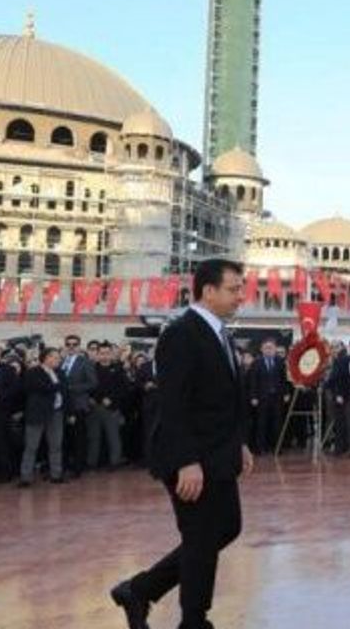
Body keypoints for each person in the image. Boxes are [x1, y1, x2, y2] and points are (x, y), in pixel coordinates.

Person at [112, 258, 254, 629]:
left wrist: (239, 443)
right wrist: (186, 461)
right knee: (201, 538)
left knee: (225, 528)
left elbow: (223, 399)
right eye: (234, 288)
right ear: (208, 291)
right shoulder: (181, 333)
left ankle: (140, 590)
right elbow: (172, 403)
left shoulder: (220, 333)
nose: (242, 296)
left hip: (219, 453)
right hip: (190, 457)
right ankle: (193, 620)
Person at [18, 347, 66, 487]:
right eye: (55, 357)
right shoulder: (33, 372)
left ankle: (56, 474)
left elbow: (65, 391)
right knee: (31, 446)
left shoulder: (60, 372)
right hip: (37, 414)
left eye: (58, 357)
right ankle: (26, 477)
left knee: (56, 445)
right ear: (46, 357)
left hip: (56, 413)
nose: (58, 360)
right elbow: (39, 388)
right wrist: (56, 385)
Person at [60, 334, 97, 478]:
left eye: (74, 344)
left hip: (78, 404)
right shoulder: (61, 361)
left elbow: (93, 383)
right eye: (68, 344)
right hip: (62, 405)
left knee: (78, 438)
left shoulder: (85, 362)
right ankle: (64, 466)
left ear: (79, 346)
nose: (71, 347)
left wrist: (72, 388)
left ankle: (78, 468)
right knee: (64, 438)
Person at [246, 338, 291, 455]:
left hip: (277, 397)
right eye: (266, 348)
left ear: (275, 349)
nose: (269, 350)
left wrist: (286, 393)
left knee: (277, 423)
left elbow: (284, 379)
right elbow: (253, 381)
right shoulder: (257, 362)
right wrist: (253, 396)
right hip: (261, 398)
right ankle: (260, 448)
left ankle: (277, 447)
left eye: (271, 348)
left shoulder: (280, 362)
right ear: (262, 349)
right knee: (261, 423)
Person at [90, 343, 128, 469]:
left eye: (107, 353)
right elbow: (90, 387)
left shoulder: (118, 369)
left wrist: (112, 400)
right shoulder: (91, 368)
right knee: (93, 437)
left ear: (111, 354)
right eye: (101, 353)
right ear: (97, 354)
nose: (104, 356)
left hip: (112, 408)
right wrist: (94, 398)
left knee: (113, 437)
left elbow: (124, 389)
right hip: (94, 407)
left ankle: (114, 462)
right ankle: (92, 463)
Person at [0, 342, 20, 483]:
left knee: (1, 442)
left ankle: (5, 473)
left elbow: (14, 389)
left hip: (0, 411)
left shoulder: (7, 369)